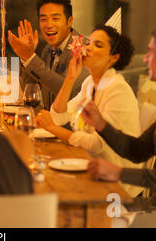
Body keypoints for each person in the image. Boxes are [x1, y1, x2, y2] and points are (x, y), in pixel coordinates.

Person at [82, 21, 156, 227]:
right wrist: (102, 124)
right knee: (89, 209)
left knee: (102, 221)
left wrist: (118, 173)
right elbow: (138, 150)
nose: (146, 59)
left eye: (151, 52)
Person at [35, 24, 144, 198]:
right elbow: (59, 116)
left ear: (114, 58)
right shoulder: (90, 84)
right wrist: (70, 78)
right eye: (88, 43)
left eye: (98, 45)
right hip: (91, 167)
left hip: (118, 186)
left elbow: (97, 144)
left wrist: (54, 129)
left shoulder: (117, 89)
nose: (88, 48)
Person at [8, 0, 87, 110]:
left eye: (55, 18)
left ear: (69, 21)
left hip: (73, 126)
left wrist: (30, 58)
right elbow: (30, 89)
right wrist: (26, 56)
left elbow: (67, 91)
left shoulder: (82, 48)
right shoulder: (47, 50)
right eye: (43, 19)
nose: (49, 25)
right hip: (50, 123)